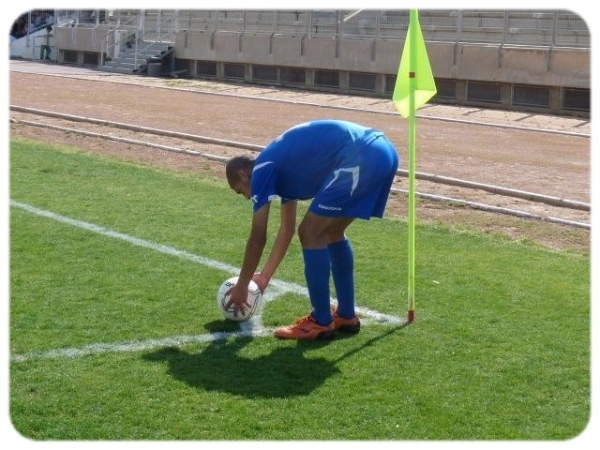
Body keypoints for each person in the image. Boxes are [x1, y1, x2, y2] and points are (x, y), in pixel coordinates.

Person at [225, 119, 400, 340]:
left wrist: (242, 285)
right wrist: (265, 276)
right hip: (382, 151)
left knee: (310, 232)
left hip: (360, 154)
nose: (246, 197)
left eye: (240, 191)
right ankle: (346, 315)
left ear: (243, 175)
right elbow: (287, 228)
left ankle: (321, 322)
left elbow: (257, 237)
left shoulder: (261, 169)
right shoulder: (281, 168)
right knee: (332, 233)